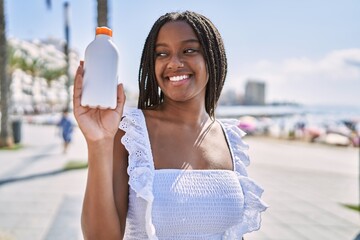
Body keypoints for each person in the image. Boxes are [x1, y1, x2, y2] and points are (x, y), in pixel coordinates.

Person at [73, 11, 267, 240]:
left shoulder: (229, 138)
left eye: (189, 50)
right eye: (162, 53)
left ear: (213, 57)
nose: (174, 63)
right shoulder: (131, 133)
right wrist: (98, 142)